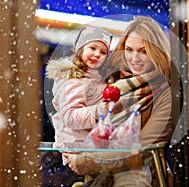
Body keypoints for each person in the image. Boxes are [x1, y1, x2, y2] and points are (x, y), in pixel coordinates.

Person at [63, 16, 175, 187]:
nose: (134, 58)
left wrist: (85, 161)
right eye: (129, 49)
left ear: (156, 52)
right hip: (98, 179)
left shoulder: (163, 91)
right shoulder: (109, 80)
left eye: (143, 51)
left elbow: (141, 149)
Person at [43, 26, 113, 186]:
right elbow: (70, 117)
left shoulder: (94, 78)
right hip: (76, 147)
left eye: (103, 52)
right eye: (93, 48)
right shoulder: (72, 79)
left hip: (89, 146)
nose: (97, 54)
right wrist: (98, 110)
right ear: (79, 48)